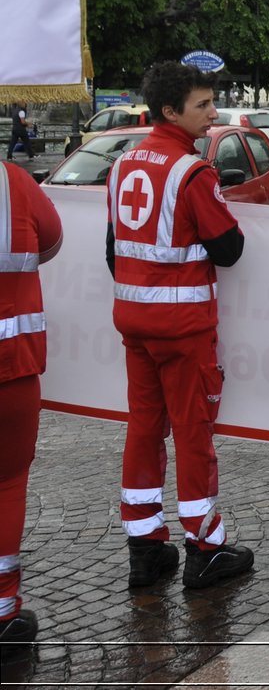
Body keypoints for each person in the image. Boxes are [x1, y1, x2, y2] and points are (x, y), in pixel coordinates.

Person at [107, 62, 253, 591]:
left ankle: (145, 548)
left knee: (144, 428)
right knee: (193, 433)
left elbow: (112, 251)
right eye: (203, 106)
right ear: (171, 111)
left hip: (134, 320)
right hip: (183, 324)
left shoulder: (123, 164)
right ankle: (205, 547)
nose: (214, 115)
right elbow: (229, 250)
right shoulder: (191, 172)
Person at [0, 158, 62, 656]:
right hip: (9, 365)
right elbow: (51, 240)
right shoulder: (13, 181)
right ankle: (2, 610)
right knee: (6, 484)